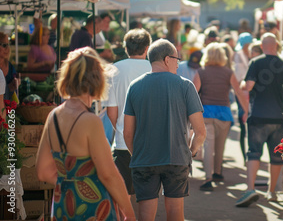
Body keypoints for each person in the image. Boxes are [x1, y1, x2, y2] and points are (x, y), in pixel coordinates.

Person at [35, 47, 136, 220]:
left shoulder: (54, 116)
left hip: (62, 207)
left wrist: (70, 182)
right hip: (93, 207)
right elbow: (108, 174)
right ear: (97, 80)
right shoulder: (90, 121)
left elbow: (43, 172)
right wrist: (130, 213)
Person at [123, 39, 206, 221]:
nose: (178, 63)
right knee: (176, 214)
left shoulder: (134, 86)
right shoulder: (185, 85)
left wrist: (137, 154)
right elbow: (200, 131)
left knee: (145, 215)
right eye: (177, 59)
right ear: (168, 59)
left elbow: (127, 133)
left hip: (144, 159)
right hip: (176, 157)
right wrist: (190, 152)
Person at [236, 33, 283, 207]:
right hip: (278, 117)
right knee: (276, 156)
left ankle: (250, 189)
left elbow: (249, 86)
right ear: (276, 45)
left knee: (254, 152)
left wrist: (241, 84)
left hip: (258, 116)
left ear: (262, 46)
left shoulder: (256, 62)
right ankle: (272, 192)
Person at [192, 43, 249, 191]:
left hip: (206, 113)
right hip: (224, 113)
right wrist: (246, 111)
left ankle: (208, 178)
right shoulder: (228, 72)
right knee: (220, 146)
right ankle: (218, 173)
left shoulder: (201, 72)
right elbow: (238, 92)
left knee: (208, 146)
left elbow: (192, 93)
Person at [105, 29, 152, 205]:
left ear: (126, 48)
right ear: (147, 48)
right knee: (147, 196)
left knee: (124, 196)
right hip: (151, 143)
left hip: (123, 141)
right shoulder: (155, 68)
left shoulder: (115, 69)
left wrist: (120, 130)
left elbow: (111, 113)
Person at [233, 33, 253, 161]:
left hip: (251, 92)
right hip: (242, 93)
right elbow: (238, 75)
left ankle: (250, 153)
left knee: (251, 124)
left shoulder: (253, 54)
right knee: (243, 123)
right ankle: (244, 155)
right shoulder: (238, 55)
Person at [0, 32, 18, 101]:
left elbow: (13, 97)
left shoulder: (10, 67)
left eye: (8, 44)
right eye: (4, 45)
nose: (7, 48)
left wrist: (14, 87)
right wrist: (8, 87)